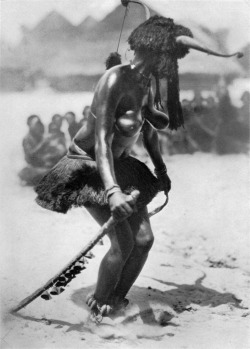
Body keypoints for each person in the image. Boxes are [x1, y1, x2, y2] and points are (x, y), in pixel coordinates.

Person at [35, 13, 243, 321]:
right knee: (123, 244)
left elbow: (147, 131)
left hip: (119, 165)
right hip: (90, 166)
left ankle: (115, 299)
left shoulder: (148, 85)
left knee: (144, 240)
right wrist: (114, 192)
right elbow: (103, 142)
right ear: (159, 54)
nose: (173, 67)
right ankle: (99, 305)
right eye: (172, 59)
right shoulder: (114, 79)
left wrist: (161, 170)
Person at [18, 115, 49, 185]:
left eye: (38, 124)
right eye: (35, 124)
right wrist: (42, 144)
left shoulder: (40, 136)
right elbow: (30, 154)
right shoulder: (27, 139)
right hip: (34, 166)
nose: (37, 126)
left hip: (43, 165)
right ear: (29, 125)